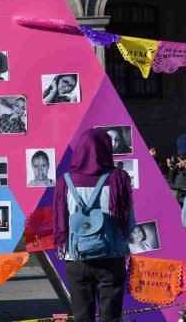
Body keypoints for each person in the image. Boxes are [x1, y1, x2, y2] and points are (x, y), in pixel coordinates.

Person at [53, 128, 135, 322]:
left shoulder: (64, 182)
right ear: (107, 149)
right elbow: (129, 224)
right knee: (112, 318)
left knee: (82, 318)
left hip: (76, 258)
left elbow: (60, 222)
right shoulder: (119, 178)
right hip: (111, 258)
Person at [168, 134, 186, 202]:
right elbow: (171, 181)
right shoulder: (178, 158)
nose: (183, 155)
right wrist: (172, 168)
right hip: (178, 195)